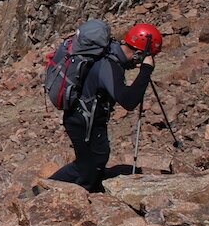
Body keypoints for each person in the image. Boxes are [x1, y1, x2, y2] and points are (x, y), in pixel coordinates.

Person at [49, 23, 160, 192]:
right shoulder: (109, 65)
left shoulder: (110, 52)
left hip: (82, 117)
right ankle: (62, 195)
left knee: (93, 161)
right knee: (88, 166)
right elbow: (129, 101)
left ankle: (49, 189)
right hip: (83, 121)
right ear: (138, 53)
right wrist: (145, 70)